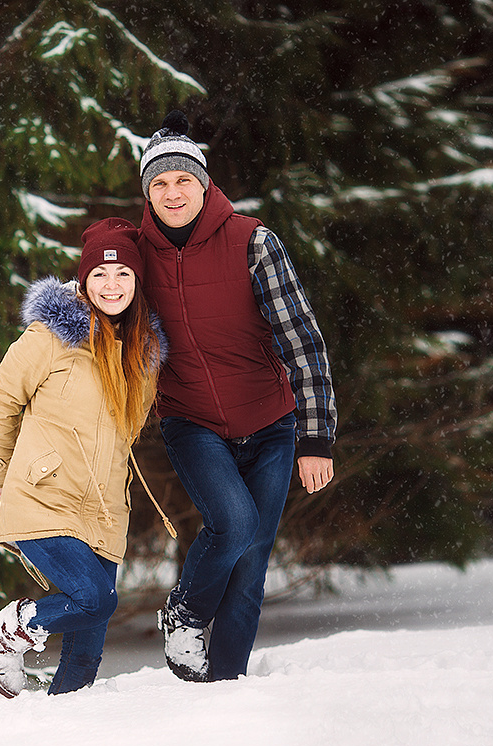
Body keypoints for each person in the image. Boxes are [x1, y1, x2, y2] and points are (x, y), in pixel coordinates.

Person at [136, 111, 337, 682]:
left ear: (204, 183)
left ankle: (223, 692)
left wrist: (316, 438)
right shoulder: (136, 256)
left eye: (183, 181)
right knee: (234, 523)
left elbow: (302, 339)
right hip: (192, 421)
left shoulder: (255, 242)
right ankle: (185, 615)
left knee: (250, 566)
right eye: (160, 184)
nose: (173, 193)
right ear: (147, 193)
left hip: (272, 423)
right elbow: (100, 288)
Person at [0, 218, 166, 697]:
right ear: (83, 281)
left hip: (104, 511)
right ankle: (4, 631)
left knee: (86, 654)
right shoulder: (51, 338)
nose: (111, 285)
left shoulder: (141, 356)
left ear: (137, 283)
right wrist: (3, 477)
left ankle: (60, 735)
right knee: (94, 599)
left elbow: (128, 433)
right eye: (100, 275)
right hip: (45, 498)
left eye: (123, 274)